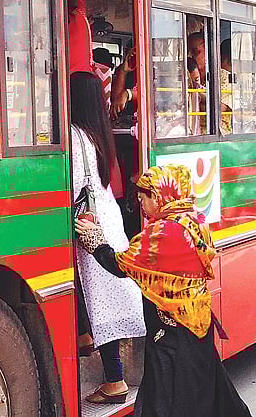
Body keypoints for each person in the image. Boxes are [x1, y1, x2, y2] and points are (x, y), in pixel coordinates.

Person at [75, 164, 252, 416]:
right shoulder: (194, 219)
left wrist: (95, 240)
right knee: (203, 392)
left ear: (157, 197)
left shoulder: (164, 233)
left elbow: (121, 265)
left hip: (171, 332)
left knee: (170, 401)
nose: (140, 204)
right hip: (196, 323)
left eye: (143, 198)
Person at [70, 72, 146, 404]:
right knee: (98, 288)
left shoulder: (73, 136)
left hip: (90, 222)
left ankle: (114, 380)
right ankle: (84, 336)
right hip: (108, 215)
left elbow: (72, 187)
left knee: (99, 293)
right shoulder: (98, 133)